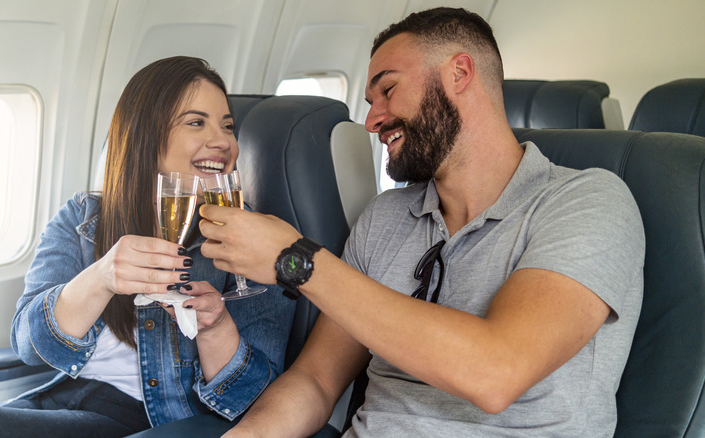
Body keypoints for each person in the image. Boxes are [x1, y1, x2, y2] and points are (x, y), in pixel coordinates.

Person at [198, 7, 644, 437]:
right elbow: (316, 381)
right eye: (370, 101)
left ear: (460, 74)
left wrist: (296, 260)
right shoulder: (386, 217)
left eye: (388, 90)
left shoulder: (588, 201)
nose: (372, 120)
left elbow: (496, 372)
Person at [0, 56, 294, 437]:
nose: (223, 141)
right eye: (196, 122)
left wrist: (215, 329)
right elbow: (28, 346)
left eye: (228, 126)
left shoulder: (253, 240)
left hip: (158, 421)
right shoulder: (84, 218)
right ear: (145, 137)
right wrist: (101, 277)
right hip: (64, 403)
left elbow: (261, 402)